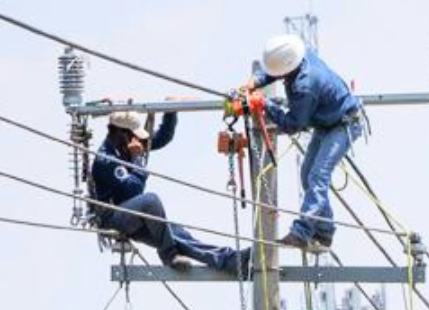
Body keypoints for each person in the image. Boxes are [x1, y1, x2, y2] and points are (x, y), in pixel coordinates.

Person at [91, 107, 250, 275]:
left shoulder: (124, 146)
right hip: (112, 218)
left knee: (177, 233)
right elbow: (134, 190)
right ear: (122, 134)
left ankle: (231, 260)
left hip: (130, 213)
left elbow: (160, 138)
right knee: (151, 201)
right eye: (135, 136)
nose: (139, 141)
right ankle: (168, 254)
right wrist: (137, 158)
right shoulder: (107, 159)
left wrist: (170, 112)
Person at [244, 34, 364, 250]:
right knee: (307, 173)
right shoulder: (300, 54)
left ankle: (302, 232)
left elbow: (293, 124)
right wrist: (256, 82)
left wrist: (265, 105)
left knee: (318, 175)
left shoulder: (305, 86)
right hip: (327, 123)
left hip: (343, 125)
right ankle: (324, 232)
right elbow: (275, 71)